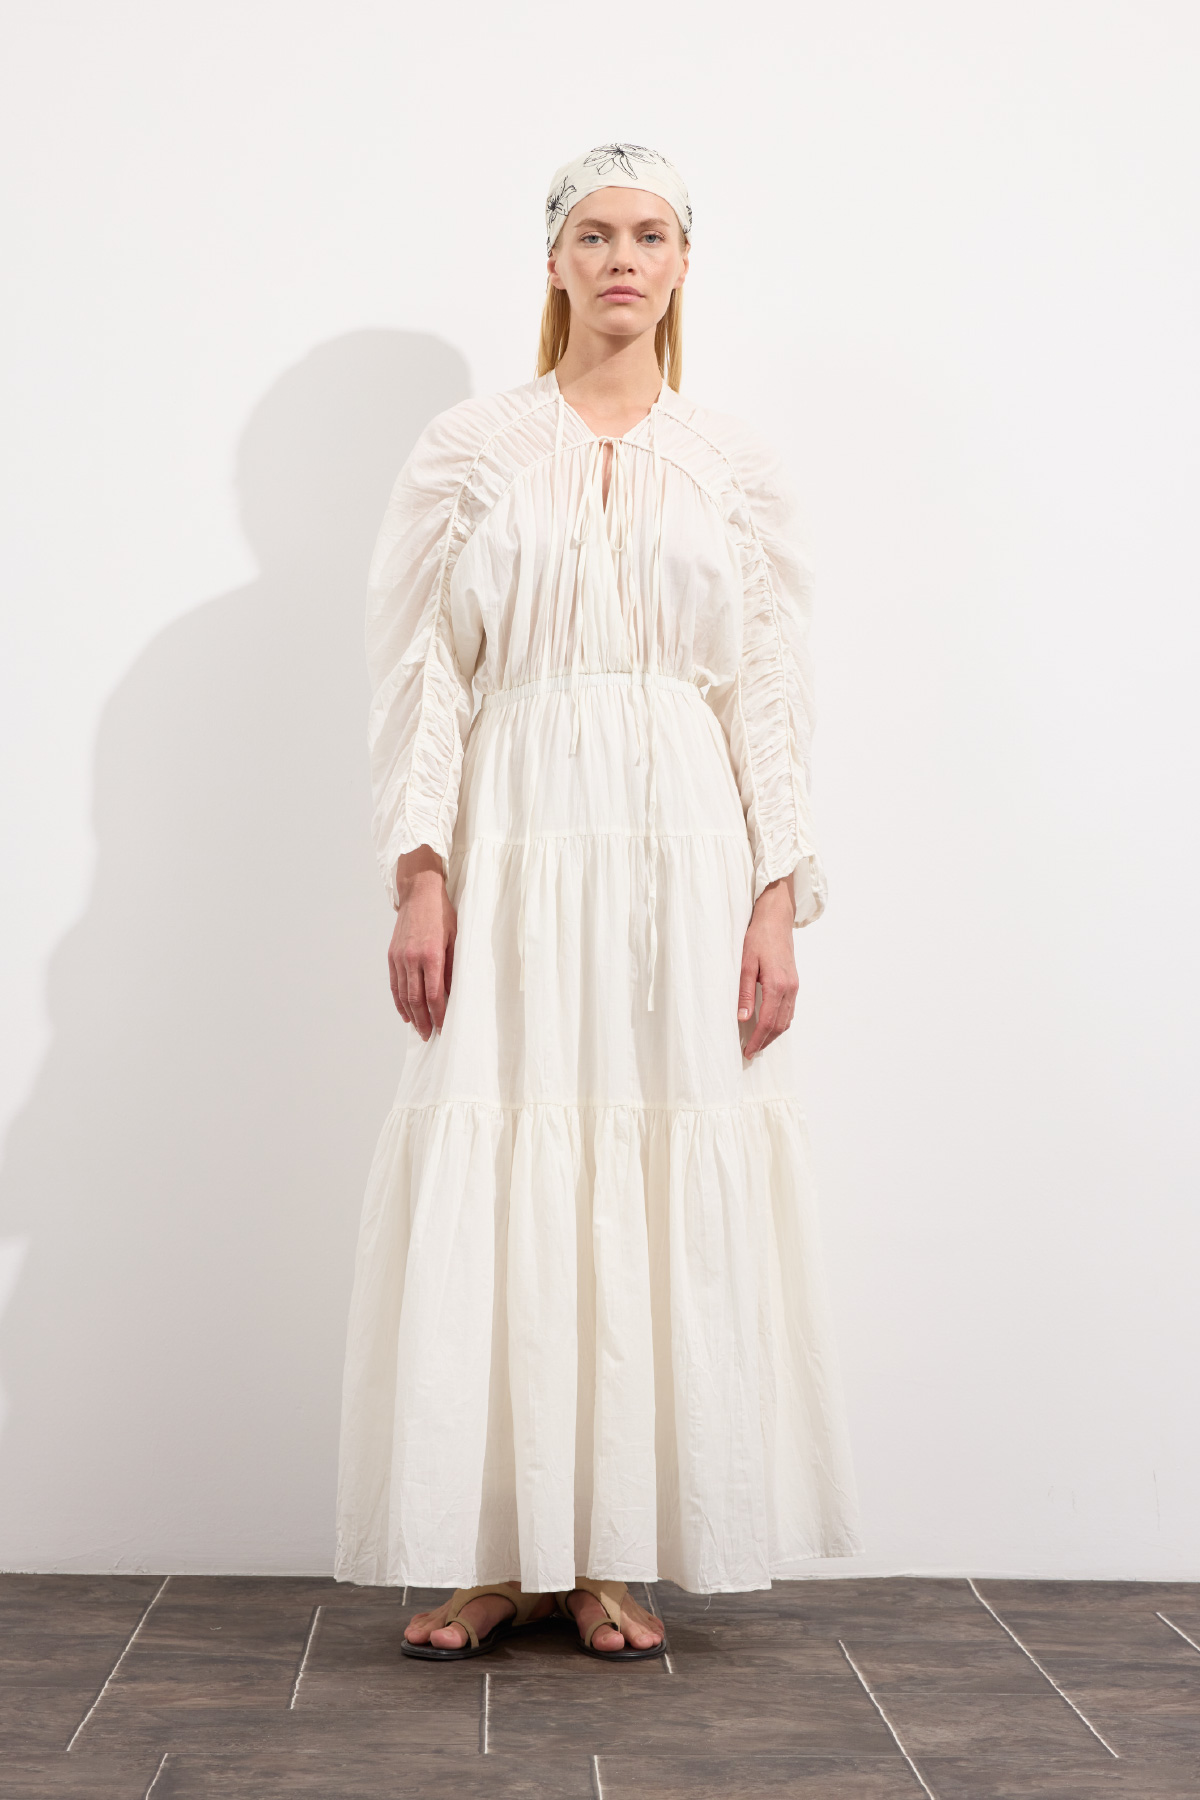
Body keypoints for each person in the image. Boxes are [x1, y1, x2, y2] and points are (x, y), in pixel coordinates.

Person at [334, 141, 861, 1662]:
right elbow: (421, 676)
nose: (622, 259)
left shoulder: (734, 464)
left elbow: (769, 693)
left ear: (685, 264)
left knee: (650, 1159)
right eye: (594, 235)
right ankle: (496, 1554)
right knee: (505, 1149)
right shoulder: (469, 453)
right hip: (514, 833)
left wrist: (776, 899)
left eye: (650, 236)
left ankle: (611, 1554)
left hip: (681, 845)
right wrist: (419, 874)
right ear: (554, 261)